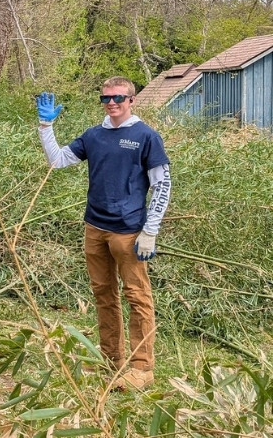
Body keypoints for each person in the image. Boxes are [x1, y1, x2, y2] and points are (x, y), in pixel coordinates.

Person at [35, 76, 172, 390]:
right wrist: (45, 127)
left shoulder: (146, 136)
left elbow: (162, 184)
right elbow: (57, 161)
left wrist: (150, 230)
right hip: (94, 228)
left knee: (137, 297)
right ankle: (111, 361)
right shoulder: (94, 136)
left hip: (129, 232)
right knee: (103, 296)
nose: (112, 103)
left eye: (118, 98)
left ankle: (141, 369)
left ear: (131, 100)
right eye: (106, 98)